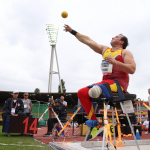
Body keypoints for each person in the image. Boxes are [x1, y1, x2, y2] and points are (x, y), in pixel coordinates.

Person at [64, 24, 136, 140]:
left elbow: (132, 69)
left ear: (121, 42)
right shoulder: (105, 50)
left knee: (96, 90)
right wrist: (72, 31)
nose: (113, 37)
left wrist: (115, 62)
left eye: (116, 37)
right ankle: (95, 123)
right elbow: (88, 41)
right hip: (105, 82)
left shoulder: (125, 53)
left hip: (118, 84)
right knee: (82, 92)